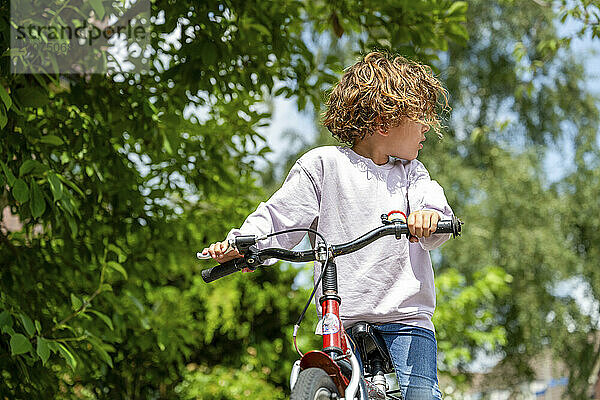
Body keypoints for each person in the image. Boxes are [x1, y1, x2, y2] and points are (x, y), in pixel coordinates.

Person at [202, 51, 453, 400]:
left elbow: (434, 211)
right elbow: (278, 218)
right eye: (420, 117)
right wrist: (243, 245)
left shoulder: (411, 175)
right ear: (384, 122)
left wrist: (429, 219)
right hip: (342, 319)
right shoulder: (322, 166)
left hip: (405, 322)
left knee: (419, 395)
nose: (428, 126)